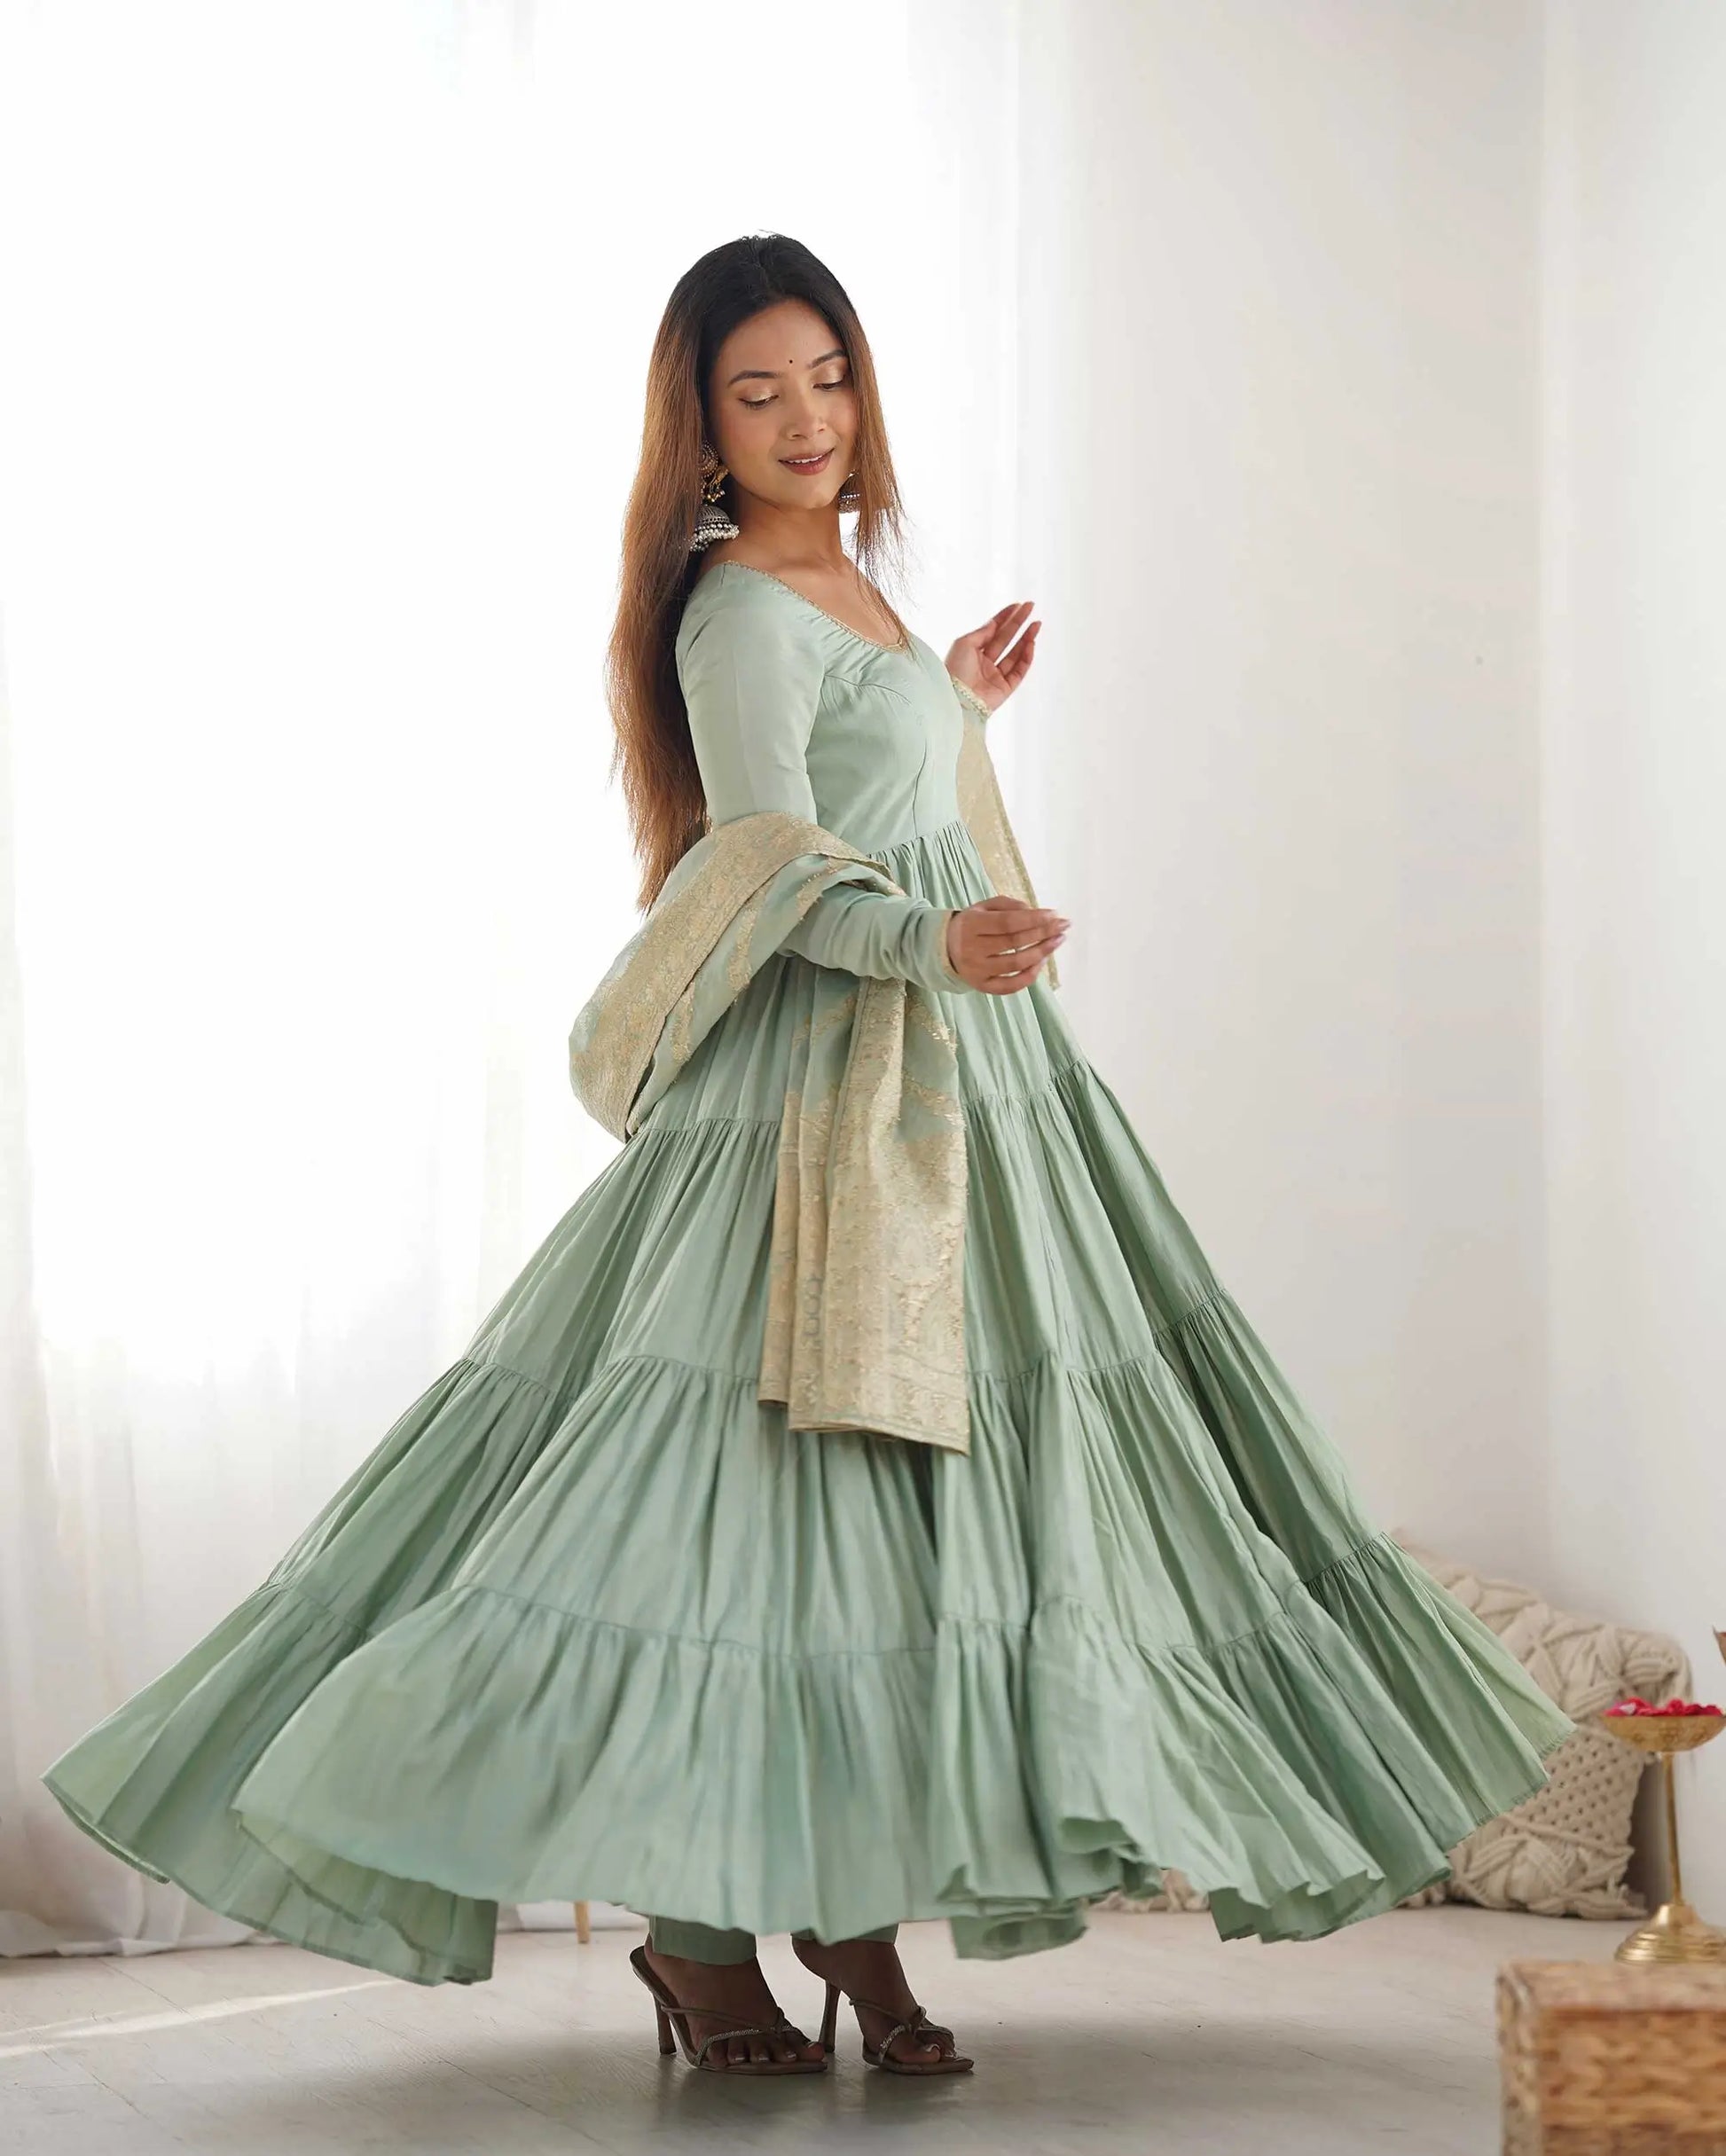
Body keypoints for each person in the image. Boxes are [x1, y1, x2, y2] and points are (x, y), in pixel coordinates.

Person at [43, 232, 1573, 2082]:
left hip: (959, 1081)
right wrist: (929, 936)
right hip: (818, 1098)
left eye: (827, 376)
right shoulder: (735, 609)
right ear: (698, 427)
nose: (806, 419)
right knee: (753, 1509)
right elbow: (764, 866)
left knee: (914, 1518)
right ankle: (706, 1944)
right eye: (757, 392)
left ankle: (848, 1905)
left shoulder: (840, 586)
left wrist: (950, 701)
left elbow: (873, 799)